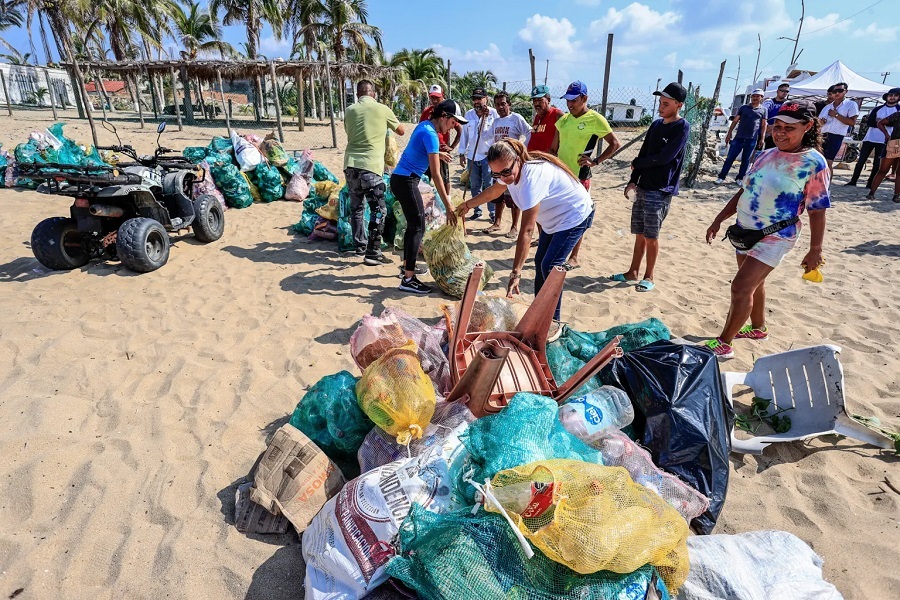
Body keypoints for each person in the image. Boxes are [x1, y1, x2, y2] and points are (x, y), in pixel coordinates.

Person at [703, 99, 830, 359]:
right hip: (745, 229)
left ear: (807, 126)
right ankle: (758, 328)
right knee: (753, 283)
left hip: (777, 235)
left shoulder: (814, 163)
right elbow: (745, 190)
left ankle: (724, 343)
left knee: (740, 287)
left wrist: (815, 249)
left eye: (789, 128)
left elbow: (818, 208)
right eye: (777, 126)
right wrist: (719, 219)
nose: (781, 132)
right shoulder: (766, 154)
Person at [456, 138, 594, 328]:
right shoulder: (507, 172)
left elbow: (527, 231)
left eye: (506, 171)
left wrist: (516, 272)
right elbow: (494, 191)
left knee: (550, 267)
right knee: (540, 263)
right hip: (553, 219)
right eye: (497, 173)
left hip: (574, 215)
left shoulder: (532, 178)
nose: (503, 178)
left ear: (518, 159)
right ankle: (539, 311)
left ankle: (553, 321)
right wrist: (467, 205)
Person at [609, 82, 690, 293]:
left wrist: (639, 164)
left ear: (678, 105)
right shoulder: (655, 125)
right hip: (644, 185)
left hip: (661, 188)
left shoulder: (682, 127)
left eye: (666, 103)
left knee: (651, 236)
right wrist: (633, 178)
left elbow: (665, 158)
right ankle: (632, 272)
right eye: (660, 102)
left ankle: (649, 276)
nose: (661, 106)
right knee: (639, 232)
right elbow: (643, 153)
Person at [391, 99, 463, 294]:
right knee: (417, 226)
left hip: (401, 179)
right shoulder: (431, 134)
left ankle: (407, 267)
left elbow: (419, 149)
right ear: (443, 117)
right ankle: (408, 279)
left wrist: (438, 153)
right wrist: (448, 206)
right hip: (406, 181)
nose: (454, 125)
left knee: (414, 226)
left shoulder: (425, 126)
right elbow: (437, 175)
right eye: (453, 121)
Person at [550, 80, 620, 269]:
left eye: (574, 100)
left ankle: (574, 257)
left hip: (580, 176)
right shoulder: (563, 120)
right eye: (567, 100)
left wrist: (595, 161)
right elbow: (553, 148)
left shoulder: (595, 119)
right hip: (561, 176)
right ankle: (558, 251)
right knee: (559, 214)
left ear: (584, 98)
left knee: (578, 216)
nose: (570, 104)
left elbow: (615, 144)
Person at [343, 80, 405, 264]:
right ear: (374, 94)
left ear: (357, 94)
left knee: (357, 208)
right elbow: (401, 130)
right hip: (370, 167)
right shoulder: (382, 109)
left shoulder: (349, 110)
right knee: (379, 209)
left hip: (350, 165)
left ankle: (360, 246)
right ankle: (373, 251)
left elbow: (349, 132)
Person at [487, 91, 531, 236]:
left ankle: (514, 227)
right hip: (498, 165)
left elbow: (529, 132)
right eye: (497, 104)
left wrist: (521, 148)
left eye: (503, 104)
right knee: (498, 196)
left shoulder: (516, 118)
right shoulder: (496, 122)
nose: (500, 107)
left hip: (511, 166)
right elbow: (489, 137)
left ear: (509, 104)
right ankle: (497, 223)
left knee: (513, 197)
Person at [458, 87, 498, 221]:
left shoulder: (494, 114)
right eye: (474, 99)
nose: (477, 101)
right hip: (472, 156)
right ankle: (477, 210)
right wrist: (461, 153)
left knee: (489, 185)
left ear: (486, 99)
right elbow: (464, 135)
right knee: (475, 185)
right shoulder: (468, 115)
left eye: (479, 98)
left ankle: (492, 212)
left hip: (489, 156)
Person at [847, 87, 899, 188]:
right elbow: (870, 122)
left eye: (895, 96)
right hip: (870, 138)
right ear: (887, 97)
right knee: (861, 161)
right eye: (890, 95)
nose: (892, 97)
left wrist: (883, 122)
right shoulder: (877, 109)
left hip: (885, 140)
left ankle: (870, 184)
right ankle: (853, 181)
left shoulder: (898, 110)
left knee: (877, 164)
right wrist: (884, 122)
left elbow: (896, 125)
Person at [716, 89, 767, 185]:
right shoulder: (743, 108)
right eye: (753, 96)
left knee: (746, 160)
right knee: (730, 158)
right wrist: (729, 133)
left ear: (761, 98)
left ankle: (740, 178)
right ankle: (721, 177)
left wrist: (762, 138)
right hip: (739, 138)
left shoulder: (764, 110)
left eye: (757, 96)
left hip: (752, 139)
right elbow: (735, 121)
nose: (755, 98)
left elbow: (764, 125)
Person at [419, 84, 461, 187]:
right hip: (428, 150)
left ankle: (447, 197)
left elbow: (459, 129)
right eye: (432, 97)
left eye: (437, 97)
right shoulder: (426, 112)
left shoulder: (447, 113)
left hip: (442, 149)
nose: (434, 100)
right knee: (426, 176)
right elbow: (421, 129)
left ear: (443, 96)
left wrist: (451, 147)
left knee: (444, 178)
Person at [818, 82, 859, 175]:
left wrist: (836, 115)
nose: (836, 93)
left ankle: (827, 187)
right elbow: (819, 123)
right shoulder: (827, 107)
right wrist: (820, 123)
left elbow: (852, 122)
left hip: (836, 136)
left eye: (840, 91)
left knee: (828, 163)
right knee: (818, 162)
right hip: (822, 135)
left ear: (846, 91)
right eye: (834, 91)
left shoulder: (851, 104)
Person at [865, 108, 900, 202]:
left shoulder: (897, 114)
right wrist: (887, 135)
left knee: (883, 170)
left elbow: (880, 123)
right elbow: (880, 123)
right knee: (883, 170)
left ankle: (872, 194)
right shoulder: (898, 114)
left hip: (894, 142)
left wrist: (887, 135)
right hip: (895, 143)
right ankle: (873, 193)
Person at [527, 84, 564, 153]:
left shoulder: (557, 115)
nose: (536, 103)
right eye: (534, 100)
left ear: (548, 99)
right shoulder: (537, 117)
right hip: (533, 159)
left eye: (540, 100)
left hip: (547, 160)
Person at [762, 83, 790, 149]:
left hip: (778, 133)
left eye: (787, 91)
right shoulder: (769, 102)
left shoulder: (788, 104)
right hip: (764, 130)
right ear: (777, 91)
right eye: (782, 90)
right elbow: (761, 115)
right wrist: (766, 126)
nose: (784, 93)